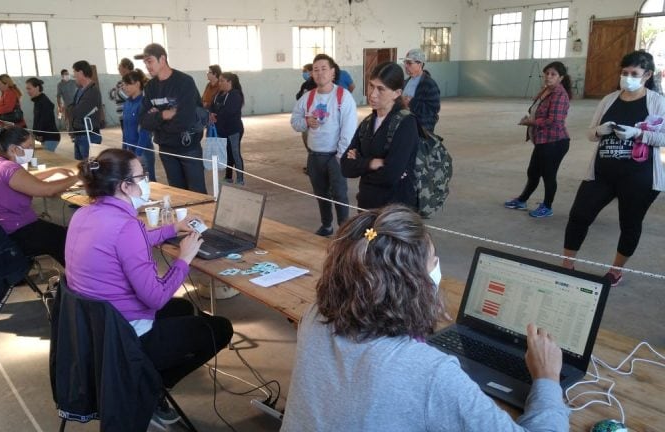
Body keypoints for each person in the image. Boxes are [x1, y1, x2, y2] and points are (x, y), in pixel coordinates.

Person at [281, 204, 570, 432]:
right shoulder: (429, 372)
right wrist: (546, 379)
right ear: (414, 284)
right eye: (433, 261)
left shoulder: (315, 315)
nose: (437, 268)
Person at [65, 148, 233, 427]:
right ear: (124, 186)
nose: (146, 181)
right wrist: (184, 259)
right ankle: (149, 386)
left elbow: (131, 242)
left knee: (184, 307)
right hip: (124, 339)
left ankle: (146, 381)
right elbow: (155, 298)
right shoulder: (124, 226)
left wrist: (173, 228)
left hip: (95, 331)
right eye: (141, 176)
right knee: (219, 328)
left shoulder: (87, 213)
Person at [563, 50, 665, 287]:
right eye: (624, 72)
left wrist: (639, 133)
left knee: (629, 224)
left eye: (634, 73)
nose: (627, 77)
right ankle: (567, 263)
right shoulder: (609, 99)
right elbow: (590, 133)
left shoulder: (657, 102)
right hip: (602, 174)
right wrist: (600, 131)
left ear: (647, 75)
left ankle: (616, 270)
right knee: (579, 215)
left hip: (639, 177)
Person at [0, 127, 76, 265]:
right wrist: (78, 177)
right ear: (14, 149)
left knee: (59, 234)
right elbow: (47, 190)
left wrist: (54, 171)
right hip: (12, 233)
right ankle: (78, 278)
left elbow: (25, 180)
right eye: (29, 147)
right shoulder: (8, 168)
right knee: (67, 238)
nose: (31, 151)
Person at [291, 54, 357, 237]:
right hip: (314, 155)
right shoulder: (307, 97)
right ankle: (326, 226)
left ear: (333, 72)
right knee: (321, 194)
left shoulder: (343, 97)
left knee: (340, 194)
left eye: (324, 69)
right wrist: (306, 121)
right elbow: (295, 121)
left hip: (335, 155)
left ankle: (345, 231)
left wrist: (340, 156)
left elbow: (349, 129)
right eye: (315, 69)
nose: (319, 73)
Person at [341, 62, 421, 210]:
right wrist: (371, 163)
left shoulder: (406, 124)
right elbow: (345, 167)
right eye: (371, 86)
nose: (372, 94)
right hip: (367, 207)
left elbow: (390, 175)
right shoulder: (367, 123)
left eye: (381, 89)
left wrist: (361, 165)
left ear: (397, 93)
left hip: (395, 212)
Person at [505, 62, 572, 218]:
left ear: (561, 78)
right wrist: (530, 117)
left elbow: (554, 121)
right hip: (543, 141)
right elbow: (538, 111)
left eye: (553, 74)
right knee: (533, 172)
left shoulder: (559, 95)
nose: (548, 77)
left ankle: (547, 207)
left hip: (555, 142)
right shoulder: (546, 90)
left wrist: (531, 122)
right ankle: (522, 200)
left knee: (549, 175)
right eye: (547, 73)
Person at [137, 43, 207, 193]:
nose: (147, 67)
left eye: (150, 61)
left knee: (197, 194)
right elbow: (143, 121)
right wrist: (164, 114)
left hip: (188, 147)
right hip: (166, 149)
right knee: (178, 193)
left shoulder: (184, 82)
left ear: (162, 59)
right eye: (145, 63)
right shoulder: (150, 87)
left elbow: (185, 121)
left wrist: (156, 119)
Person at [209, 72, 245, 184]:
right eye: (219, 80)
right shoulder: (218, 95)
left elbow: (229, 111)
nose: (219, 83)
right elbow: (211, 106)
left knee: (235, 153)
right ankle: (228, 176)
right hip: (222, 130)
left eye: (222, 81)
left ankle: (240, 178)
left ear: (229, 82)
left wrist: (217, 116)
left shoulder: (235, 95)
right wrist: (211, 114)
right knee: (227, 153)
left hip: (234, 129)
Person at [121, 69, 156, 180]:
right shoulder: (127, 102)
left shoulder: (144, 103)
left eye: (127, 84)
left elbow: (144, 131)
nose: (124, 87)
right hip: (130, 150)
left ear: (137, 84)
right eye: (123, 84)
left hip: (143, 151)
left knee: (149, 183)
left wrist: (139, 153)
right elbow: (125, 127)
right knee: (133, 182)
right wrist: (124, 148)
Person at [69, 60, 102, 160]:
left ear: (81, 73)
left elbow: (78, 112)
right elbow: (73, 109)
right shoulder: (80, 90)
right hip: (79, 134)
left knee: (89, 169)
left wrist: (70, 109)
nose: (73, 75)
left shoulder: (92, 91)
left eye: (74, 72)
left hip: (88, 136)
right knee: (80, 167)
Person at [401, 48, 441, 132]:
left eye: (409, 63)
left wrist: (411, 102)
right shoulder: (406, 82)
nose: (406, 66)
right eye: (405, 63)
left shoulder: (429, 85)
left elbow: (433, 109)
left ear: (420, 64)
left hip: (421, 129)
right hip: (406, 125)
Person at [25, 77, 61, 152]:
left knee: (47, 160)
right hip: (44, 137)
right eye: (27, 89)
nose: (27, 91)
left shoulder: (44, 102)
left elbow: (45, 121)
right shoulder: (38, 101)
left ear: (37, 87)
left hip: (50, 137)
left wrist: (38, 134)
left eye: (29, 88)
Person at [110, 58, 134, 128]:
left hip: (131, 116)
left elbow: (124, 95)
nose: (118, 69)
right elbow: (110, 94)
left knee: (132, 137)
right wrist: (118, 92)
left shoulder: (132, 80)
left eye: (119, 67)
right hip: (122, 116)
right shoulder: (120, 82)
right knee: (126, 138)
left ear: (126, 67)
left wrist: (116, 92)